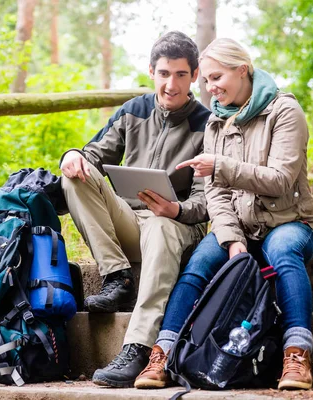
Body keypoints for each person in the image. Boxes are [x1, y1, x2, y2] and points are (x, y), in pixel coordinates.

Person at [133, 38, 313, 391]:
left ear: (242, 70)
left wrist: (221, 165)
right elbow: (216, 195)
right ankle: (163, 352)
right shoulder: (216, 124)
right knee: (199, 264)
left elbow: (280, 181)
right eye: (205, 81)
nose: (209, 88)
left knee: (282, 252)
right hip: (239, 226)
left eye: (216, 78)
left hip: (290, 223)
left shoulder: (284, 111)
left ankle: (296, 353)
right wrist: (232, 240)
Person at [59, 31, 210, 388]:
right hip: (131, 223)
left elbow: (207, 203)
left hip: (177, 227)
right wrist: (72, 155)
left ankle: (137, 347)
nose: (171, 84)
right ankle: (118, 276)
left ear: (195, 75)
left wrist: (176, 209)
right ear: (151, 71)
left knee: (159, 225)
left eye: (181, 75)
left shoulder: (207, 125)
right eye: (163, 74)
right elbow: (93, 155)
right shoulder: (134, 111)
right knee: (74, 177)